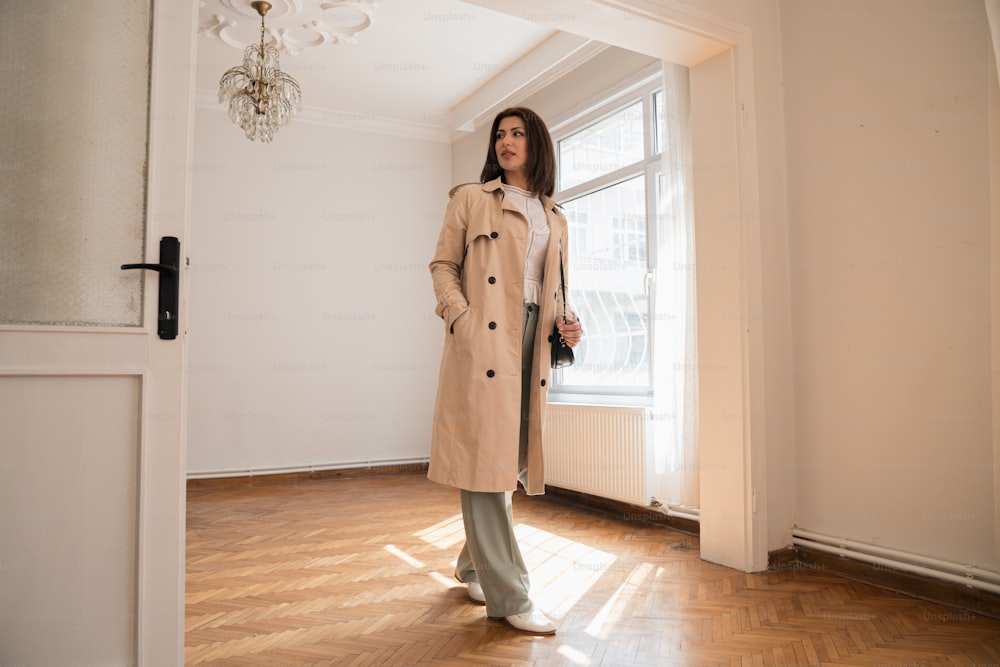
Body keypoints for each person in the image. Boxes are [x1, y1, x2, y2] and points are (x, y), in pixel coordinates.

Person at [427, 107, 583, 635]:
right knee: (484, 460)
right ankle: (512, 595)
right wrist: (461, 316)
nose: (506, 142)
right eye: (500, 135)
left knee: (507, 459)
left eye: (517, 134)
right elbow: (443, 264)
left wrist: (569, 323)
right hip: (486, 338)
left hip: (535, 340)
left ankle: (473, 565)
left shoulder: (556, 216)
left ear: (537, 144)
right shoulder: (472, 198)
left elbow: (554, 287)